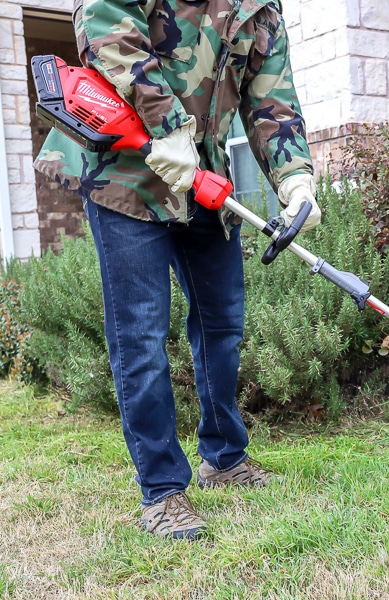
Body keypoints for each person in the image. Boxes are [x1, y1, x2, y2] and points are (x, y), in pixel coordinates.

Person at [34, 0, 318, 540]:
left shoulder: (261, 8)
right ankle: (162, 491)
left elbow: (270, 95)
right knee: (140, 335)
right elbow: (102, 20)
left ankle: (224, 457)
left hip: (204, 178)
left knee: (223, 325)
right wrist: (165, 125)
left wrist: (295, 177)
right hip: (126, 175)